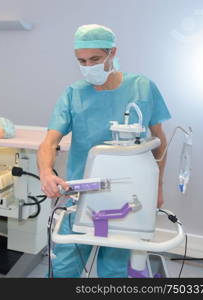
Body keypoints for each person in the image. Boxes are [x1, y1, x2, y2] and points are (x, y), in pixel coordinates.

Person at [37, 24, 171, 278]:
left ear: (112, 53)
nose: (89, 66)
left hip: (128, 197)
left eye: (95, 59)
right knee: (65, 267)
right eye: (82, 61)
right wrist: (45, 172)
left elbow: (159, 141)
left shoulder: (142, 87)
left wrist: (159, 188)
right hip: (80, 195)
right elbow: (48, 143)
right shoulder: (73, 93)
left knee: (114, 270)